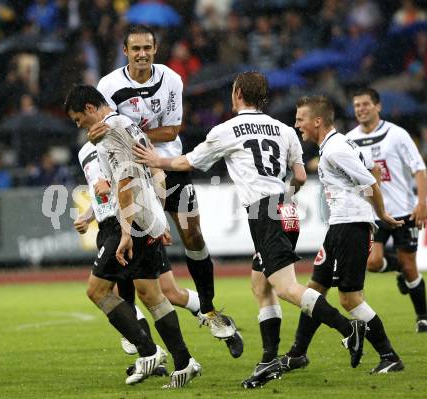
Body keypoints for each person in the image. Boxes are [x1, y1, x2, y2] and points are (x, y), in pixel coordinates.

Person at [133, 71, 374, 388]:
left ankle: (347, 329)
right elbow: (300, 176)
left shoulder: (227, 130)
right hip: (286, 209)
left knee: (285, 287)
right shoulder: (284, 129)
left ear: (237, 94)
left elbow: (188, 162)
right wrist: (283, 195)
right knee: (261, 286)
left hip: (264, 212)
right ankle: (269, 360)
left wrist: (155, 159)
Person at [87, 24, 242, 356]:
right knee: (132, 247)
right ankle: (139, 337)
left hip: (170, 166)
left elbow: (172, 129)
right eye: (136, 49)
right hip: (134, 176)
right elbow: (105, 132)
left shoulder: (171, 79)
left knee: (193, 235)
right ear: (125, 52)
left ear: (155, 50)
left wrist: (131, 136)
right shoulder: (109, 85)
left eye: (147, 48)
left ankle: (210, 308)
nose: (142, 53)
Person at [64, 84, 201, 388]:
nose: (79, 126)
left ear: (89, 109)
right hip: (147, 217)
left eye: (78, 119)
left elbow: (125, 181)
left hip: (130, 221)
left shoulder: (109, 132)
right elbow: (156, 173)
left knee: (97, 291)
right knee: (152, 294)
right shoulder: (129, 125)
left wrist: (126, 232)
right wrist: (159, 217)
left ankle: (148, 351)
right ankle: (184, 362)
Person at [280, 95, 404, 375]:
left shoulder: (336, 149)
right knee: (314, 290)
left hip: (351, 226)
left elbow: (370, 181)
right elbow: (369, 169)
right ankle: (298, 353)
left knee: (350, 298)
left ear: (317, 121)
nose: (297, 124)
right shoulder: (336, 145)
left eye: (301, 119)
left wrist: (381, 215)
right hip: (340, 226)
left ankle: (390, 356)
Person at [346, 88, 427, 333]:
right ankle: (400, 269)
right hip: (373, 214)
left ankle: (422, 316)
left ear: (378, 107)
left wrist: (422, 203)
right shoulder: (349, 139)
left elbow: (419, 169)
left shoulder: (397, 134)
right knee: (372, 262)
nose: (360, 109)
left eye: (365, 104)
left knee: (411, 265)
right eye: (357, 105)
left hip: (403, 211)